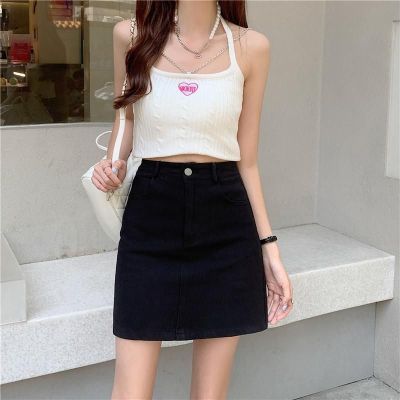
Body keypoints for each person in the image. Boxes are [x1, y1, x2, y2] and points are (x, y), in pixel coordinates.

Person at [91, 1, 293, 398]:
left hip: (226, 224)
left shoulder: (251, 47)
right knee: (130, 392)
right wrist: (112, 162)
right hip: (151, 217)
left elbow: (248, 161)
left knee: (209, 395)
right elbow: (126, 116)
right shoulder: (131, 36)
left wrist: (269, 249)